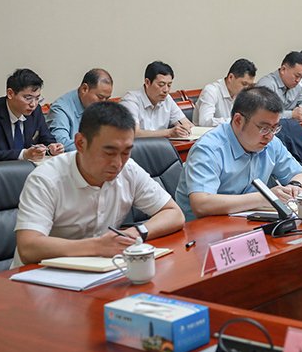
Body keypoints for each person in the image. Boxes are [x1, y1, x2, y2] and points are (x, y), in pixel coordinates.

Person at [12, 101, 185, 267]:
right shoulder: (46, 179)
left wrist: (135, 233)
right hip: (40, 276)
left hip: (102, 270)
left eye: (126, 152)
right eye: (109, 152)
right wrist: (97, 246)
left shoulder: (129, 170)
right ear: (80, 143)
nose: (118, 163)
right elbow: (28, 247)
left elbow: (174, 213)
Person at [175, 87, 302, 220]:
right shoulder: (209, 148)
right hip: (204, 228)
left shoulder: (271, 143)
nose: (269, 136)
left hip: (247, 222)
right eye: (264, 128)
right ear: (238, 120)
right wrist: (264, 197)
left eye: (274, 128)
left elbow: (301, 174)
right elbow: (202, 204)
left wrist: (294, 187)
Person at [0, 68, 62, 163]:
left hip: (30, 169)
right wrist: (23, 154)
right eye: (28, 98)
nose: (33, 104)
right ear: (10, 93)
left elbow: (47, 138)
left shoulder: (36, 111)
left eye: (37, 98)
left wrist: (51, 148)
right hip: (0, 170)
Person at [120, 61, 193, 138]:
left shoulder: (167, 99)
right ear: (147, 82)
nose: (166, 90)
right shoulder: (130, 101)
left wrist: (184, 128)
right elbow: (134, 133)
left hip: (162, 144)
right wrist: (169, 132)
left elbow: (186, 123)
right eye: (161, 85)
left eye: (169, 85)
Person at [48, 69, 114, 152]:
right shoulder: (60, 108)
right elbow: (61, 144)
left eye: (107, 98)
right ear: (84, 89)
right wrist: (97, 146)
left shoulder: (100, 106)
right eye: (100, 97)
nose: (103, 103)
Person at [193, 59, 257, 127]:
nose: (247, 89)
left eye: (250, 85)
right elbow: (205, 121)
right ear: (230, 77)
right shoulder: (211, 91)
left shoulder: (241, 94)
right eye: (244, 84)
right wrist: (234, 121)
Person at [257, 51, 302, 120]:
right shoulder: (266, 85)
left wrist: (300, 110)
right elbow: (264, 113)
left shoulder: (296, 87)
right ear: (283, 69)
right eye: (297, 76)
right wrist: (291, 114)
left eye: (301, 77)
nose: (298, 80)